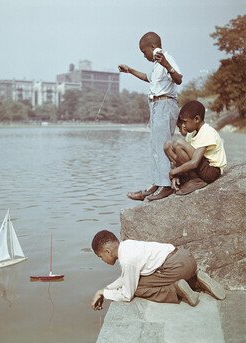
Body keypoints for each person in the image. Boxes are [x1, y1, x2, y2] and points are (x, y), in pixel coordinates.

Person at [90, 230, 225, 310]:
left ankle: (176, 290)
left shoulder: (127, 260)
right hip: (187, 258)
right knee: (136, 281)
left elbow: (127, 294)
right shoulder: (128, 245)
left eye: (101, 257)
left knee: (137, 288)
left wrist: (107, 294)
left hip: (176, 266)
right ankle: (195, 281)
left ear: (108, 251)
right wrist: (104, 289)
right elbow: (126, 277)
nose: (102, 260)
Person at [119, 32, 183, 201]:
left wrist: (167, 64)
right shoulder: (156, 65)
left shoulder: (166, 58)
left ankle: (166, 185)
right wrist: (130, 70)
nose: (144, 55)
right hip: (155, 105)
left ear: (153, 47)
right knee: (154, 146)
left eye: (144, 51)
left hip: (165, 104)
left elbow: (178, 79)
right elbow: (148, 78)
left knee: (162, 145)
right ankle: (157, 182)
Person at [165, 100, 227, 195]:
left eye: (185, 122)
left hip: (211, 171)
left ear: (196, 119)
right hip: (201, 167)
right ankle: (188, 177)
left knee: (179, 144)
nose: (184, 126)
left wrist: (173, 172)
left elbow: (194, 163)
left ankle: (195, 180)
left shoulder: (207, 132)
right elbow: (183, 156)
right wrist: (176, 175)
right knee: (167, 145)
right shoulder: (192, 134)